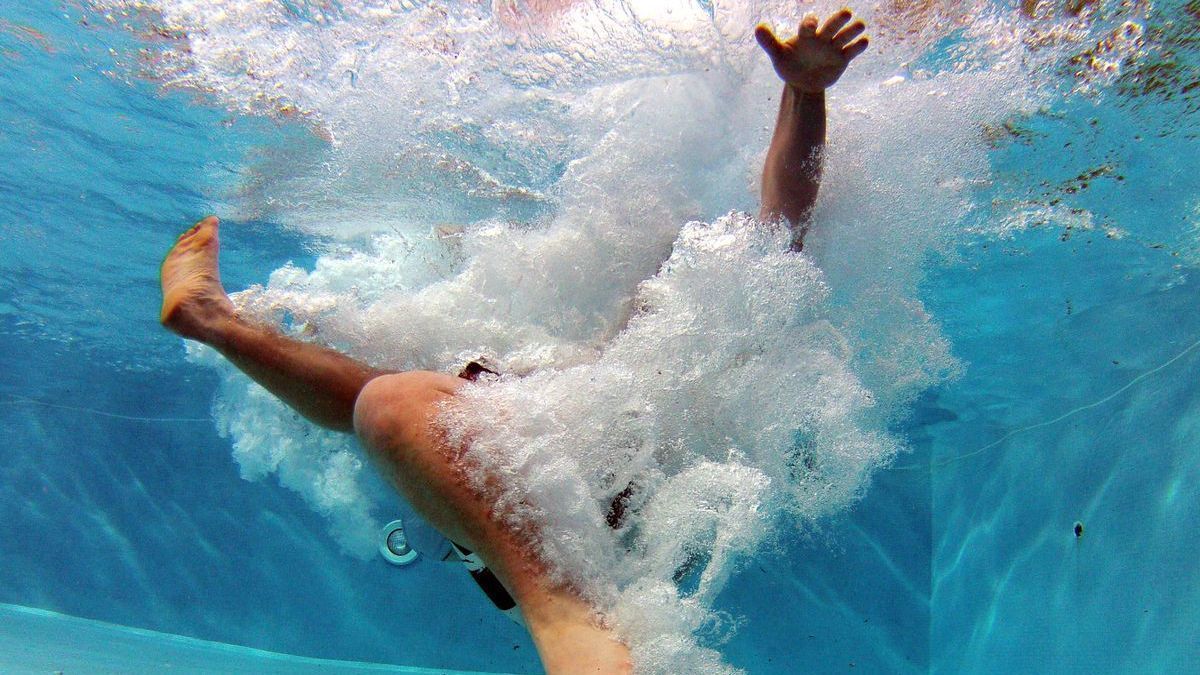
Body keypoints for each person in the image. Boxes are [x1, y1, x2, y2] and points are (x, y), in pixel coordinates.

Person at [158, 8, 867, 674]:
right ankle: (213, 320)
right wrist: (801, 94)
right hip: (555, 488)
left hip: (588, 529)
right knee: (378, 399)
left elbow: (785, 216)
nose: (650, 285)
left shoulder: (727, 330)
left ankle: (560, 610)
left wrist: (805, 98)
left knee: (391, 407)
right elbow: (779, 224)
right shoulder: (623, 365)